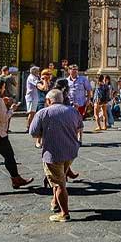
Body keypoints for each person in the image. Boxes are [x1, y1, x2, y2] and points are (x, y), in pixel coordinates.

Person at [29, 88, 83, 222]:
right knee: (60, 178)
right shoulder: (73, 111)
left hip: (53, 153)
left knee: (59, 184)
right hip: (70, 151)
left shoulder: (43, 113)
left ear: (48, 100)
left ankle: (64, 214)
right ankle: (55, 202)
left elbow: (33, 132)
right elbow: (79, 126)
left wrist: (45, 133)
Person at [24, 66, 46, 133]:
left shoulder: (36, 77)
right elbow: (39, 86)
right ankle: (29, 127)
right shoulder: (32, 77)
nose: (38, 72)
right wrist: (44, 82)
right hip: (31, 97)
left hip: (35, 96)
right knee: (31, 112)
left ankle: (31, 126)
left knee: (33, 112)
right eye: (37, 71)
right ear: (34, 72)